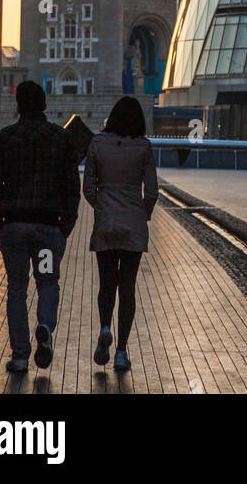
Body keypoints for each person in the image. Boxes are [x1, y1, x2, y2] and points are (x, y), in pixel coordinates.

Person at [0, 80, 80, 374]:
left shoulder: (4, 139)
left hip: (13, 228)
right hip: (48, 229)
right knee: (48, 281)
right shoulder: (61, 139)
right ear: (45, 105)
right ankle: (45, 326)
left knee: (16, 288)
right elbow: (71, 187)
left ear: (18, 106)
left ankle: (21, 356)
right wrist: (66, 225)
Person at [83, 96, 158, 372]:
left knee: (106, 283)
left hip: (106, 224)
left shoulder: (97, 144)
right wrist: (142, 213)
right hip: (133, 226)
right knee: (128, 287)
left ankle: (105, 327)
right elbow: (151, 191)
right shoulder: (144, 148)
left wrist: (102, 206)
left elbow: (88, 188)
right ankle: (122, 351)